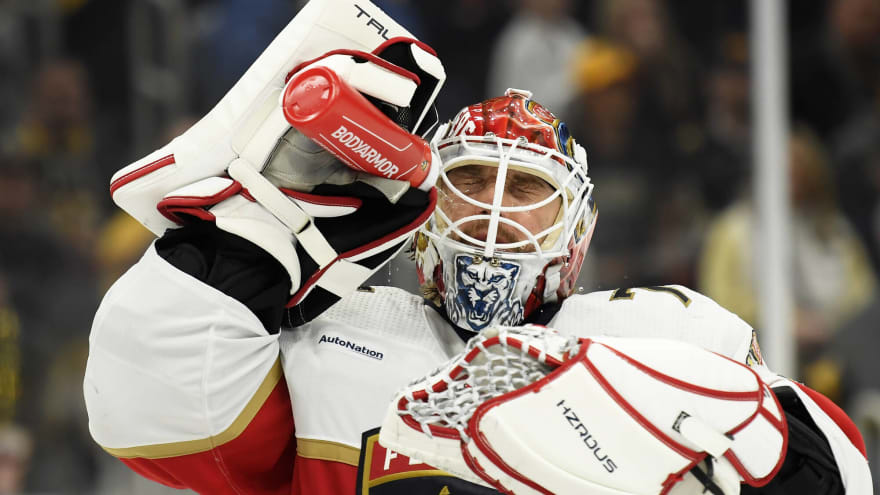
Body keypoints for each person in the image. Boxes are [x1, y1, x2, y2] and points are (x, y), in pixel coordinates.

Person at [84, 1, 871, 494]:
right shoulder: (329, 335)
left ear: (578, 229)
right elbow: (152, 419)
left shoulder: (673, 337)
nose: (493, 213)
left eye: (526, 190)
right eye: (469, 183)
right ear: (422, 208)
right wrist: (248, 248)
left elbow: (824, 471)